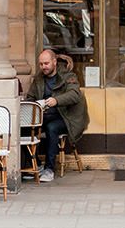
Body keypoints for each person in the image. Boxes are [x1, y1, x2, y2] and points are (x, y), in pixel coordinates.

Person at [25, 48, 89, 183]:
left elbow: (74, 95)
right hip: (45, 115)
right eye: (41, 64)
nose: (43, 67)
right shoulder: (39, 78)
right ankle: (34, 164)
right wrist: (33, 103)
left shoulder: (68, 76)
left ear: (54, 62)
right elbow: (30, 96)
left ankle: (49, 169)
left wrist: (56, 100)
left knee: (52, 128)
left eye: (46, 63)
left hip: (66, 117)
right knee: (23, 128)